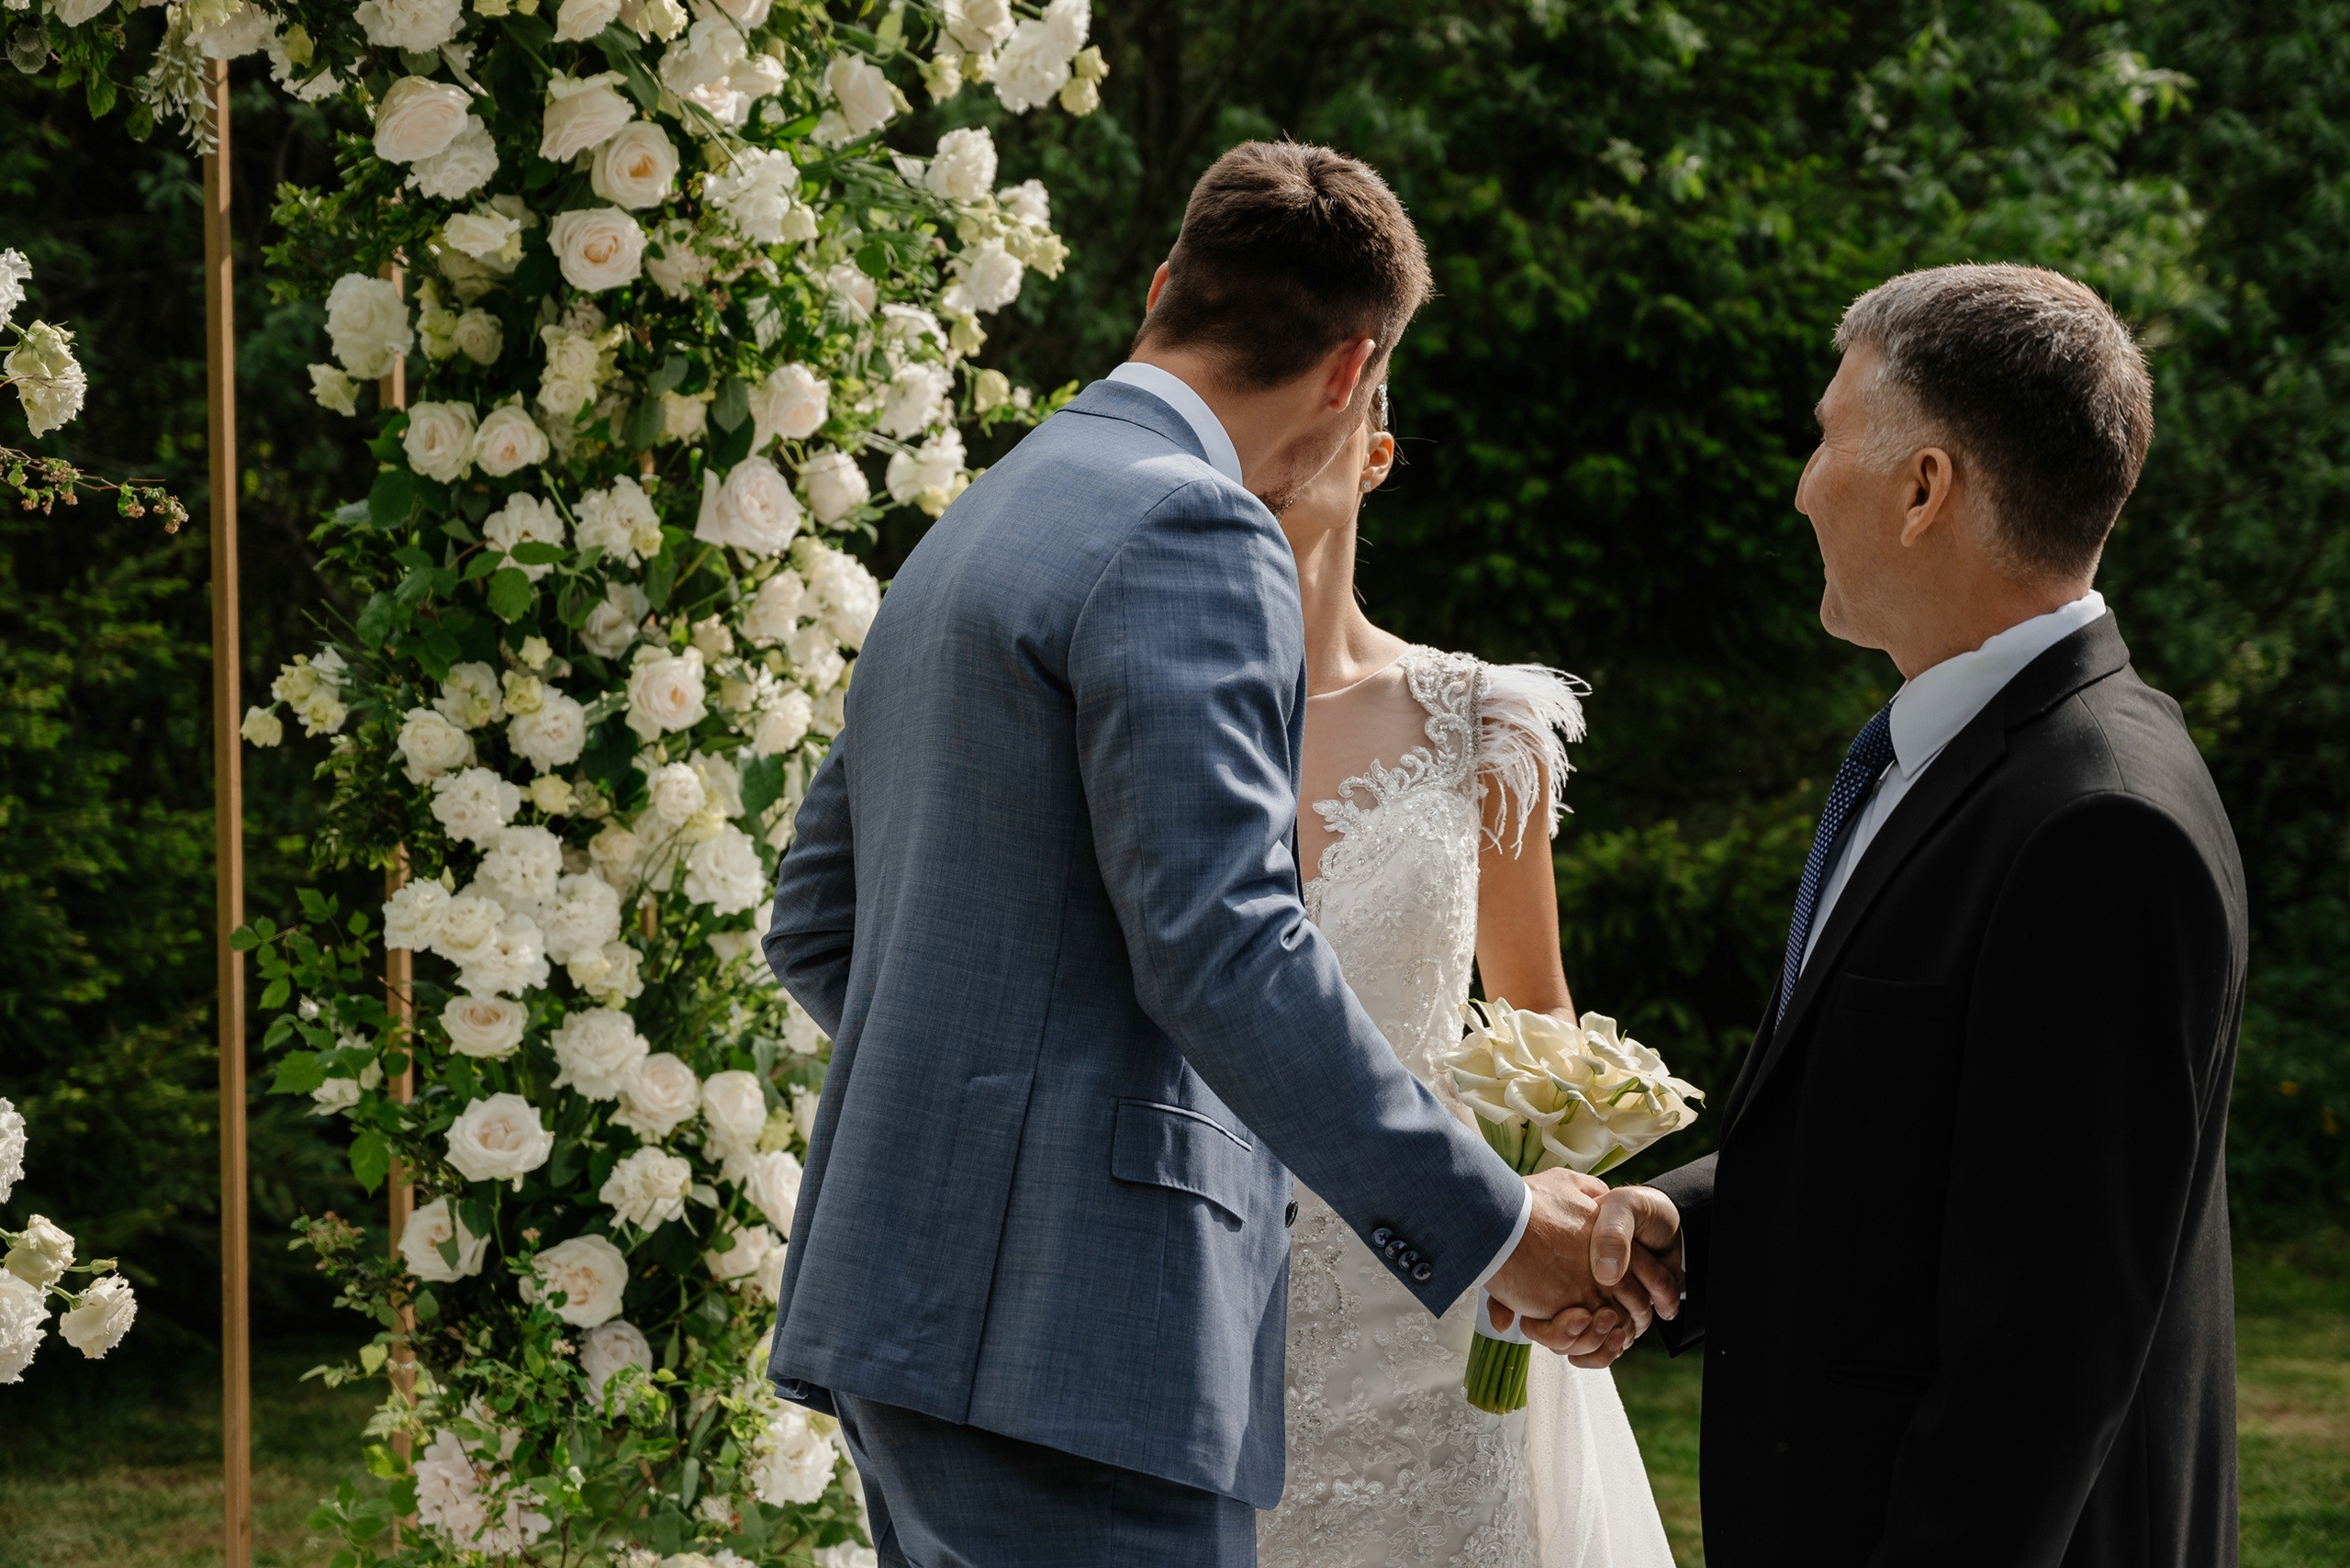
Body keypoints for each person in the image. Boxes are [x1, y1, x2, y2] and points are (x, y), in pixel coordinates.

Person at [762, 141, 1678, 1566]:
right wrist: (1494, 1222)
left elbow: (820, 920)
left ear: (1161, 288)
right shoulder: (1196, 527)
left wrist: (991, 1130)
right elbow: (1225, 945)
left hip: (907, 1326)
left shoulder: (986, 515)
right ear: (1348, 373)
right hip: (1088, 1352)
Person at [1593, 263, 2247, 1567]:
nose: (1800, 484)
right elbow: (1936, 1158)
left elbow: (2044, 1361)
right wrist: (1690, 1227)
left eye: (1829, 436)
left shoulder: (2100, 822)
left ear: (1925, 487)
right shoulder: (1966, 756)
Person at [1253, 383, 1674, 1567]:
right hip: (1209, 1281)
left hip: (1430, 1304)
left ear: (1376, 452)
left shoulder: (1475, 724)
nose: (1272, 455)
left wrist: (1561, 1250)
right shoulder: (1149, 703)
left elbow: (1538, 1021)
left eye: (1317, 415)